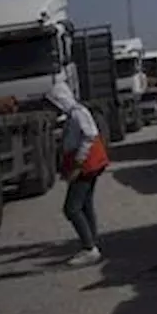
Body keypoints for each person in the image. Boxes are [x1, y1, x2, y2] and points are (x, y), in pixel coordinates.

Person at [45, 82, 110, 267]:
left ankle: (89, 248)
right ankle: (92, 242)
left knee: (71, 208)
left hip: (86, 164)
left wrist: (78, 164)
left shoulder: (77, 113)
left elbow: (89, 136)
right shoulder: (74, 113)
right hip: (87, 164)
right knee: (85, 204)